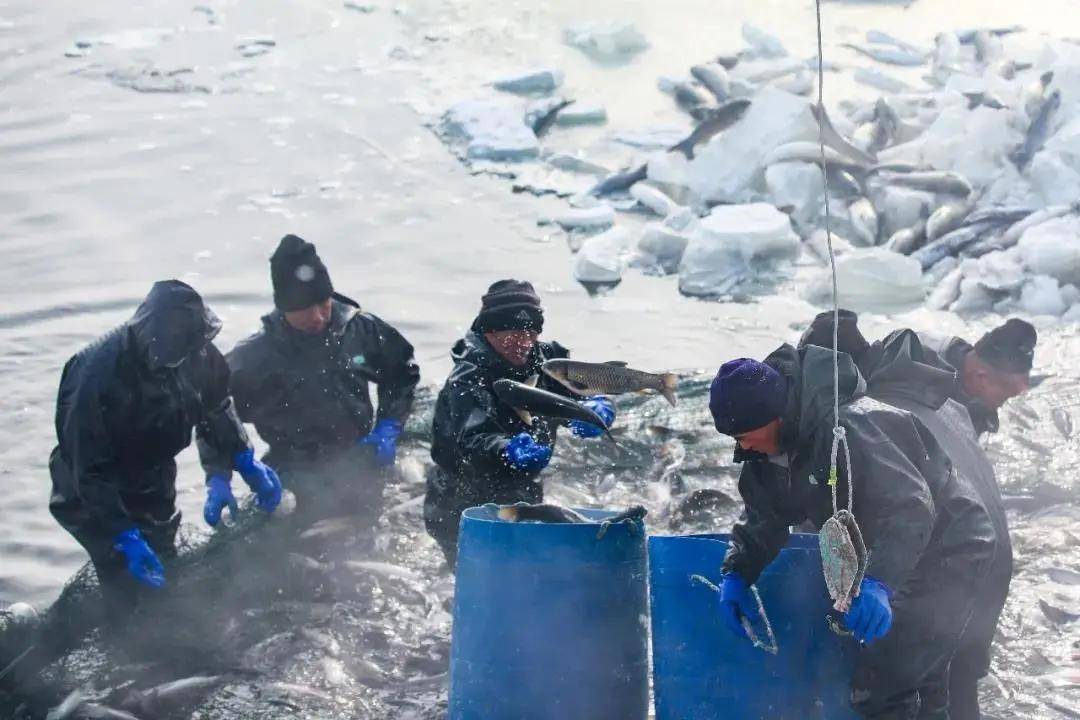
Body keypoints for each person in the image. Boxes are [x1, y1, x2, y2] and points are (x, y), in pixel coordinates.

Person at [710, 345, 996, 719]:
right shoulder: (765, 453)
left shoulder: (849, 429)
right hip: (895, 547)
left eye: (745, 433)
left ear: (775, 415)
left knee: (884, 684)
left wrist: (879, 584)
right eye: (733, 437)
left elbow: (909, 508)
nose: (741, 445)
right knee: (919, 679)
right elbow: (765, 517)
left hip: (949, 546)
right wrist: (738, 573)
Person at [800, 312, 1035, 720]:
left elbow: (895, 510)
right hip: (989, 560)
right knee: (950, 688)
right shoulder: (943, 397)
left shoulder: (867, 416)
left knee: (893, 691)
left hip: (954, 564)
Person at [48, 280, 282, 622]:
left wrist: (243, 460)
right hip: (90, 488)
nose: (190, 358)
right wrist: (123, 534)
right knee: (122, 578)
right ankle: (124, 643)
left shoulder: (196, 350)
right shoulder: (93, 375)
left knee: (164, 562)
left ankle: (160, 626)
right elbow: (89, 470)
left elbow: (216, 405)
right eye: (179, 354)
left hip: (153, 472)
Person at [424, 279, 615, 568]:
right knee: (481, 579)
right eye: (514, 335)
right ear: (490, 330)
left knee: (524, 569)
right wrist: (507, 450)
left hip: (521, 489)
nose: (524, 343)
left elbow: (588, 386)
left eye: (531, 333)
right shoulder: (466, 378)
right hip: (463, 500)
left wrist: (599, 405)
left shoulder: (547, 358)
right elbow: (471, 439)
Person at [227, 234, 420, 519]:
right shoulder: (253, 358)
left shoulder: (360, 330)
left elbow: (401, 372)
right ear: (284, 308)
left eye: (324, 303)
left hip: (359, 457)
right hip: (292, 472)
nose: (318, 317)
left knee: (365, 531)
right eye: (305, 310)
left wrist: (388, 426)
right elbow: (214, 411)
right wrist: (234, 463)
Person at [800, 312, 1037, 437]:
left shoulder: (972, 380)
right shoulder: (914, 368)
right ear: (980, 377)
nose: (1003, 404)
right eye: (1005, 395)